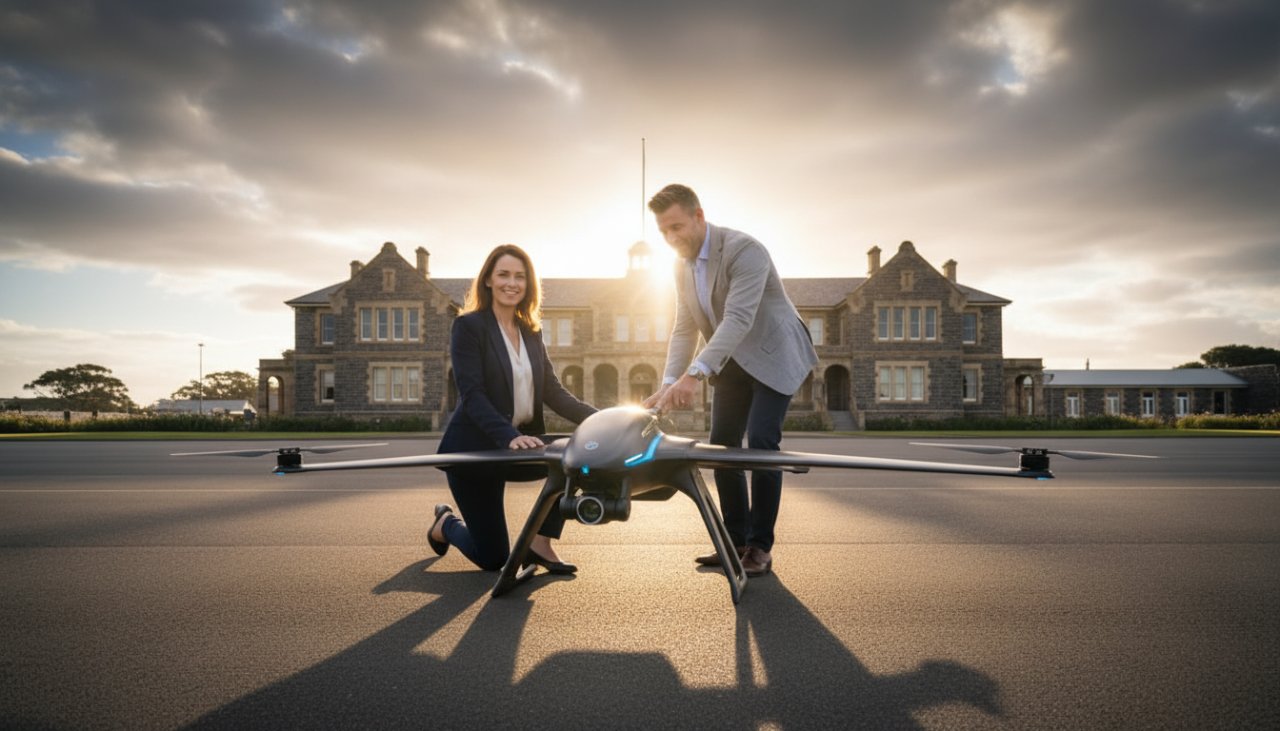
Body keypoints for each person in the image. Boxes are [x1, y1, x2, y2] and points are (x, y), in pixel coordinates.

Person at [643, 184, 817, 576]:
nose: (671, 238)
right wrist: (671, 380)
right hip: (733, 360)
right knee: (722, 448)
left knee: (760, 443)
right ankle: (734, 542)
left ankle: (759, 548)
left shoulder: (745, 250)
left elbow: (738, 318)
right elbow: (684, 328)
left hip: (774, 353)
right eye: (663, 232)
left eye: (677, 227)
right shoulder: (679, 266)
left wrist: (695, 375)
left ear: (699, 216)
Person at [429, 244, 596, 573]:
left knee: (578, 455)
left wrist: (605, 420)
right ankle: (446, 523)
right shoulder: (469, 327)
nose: (512, 283)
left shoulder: (532, 332)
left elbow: (553, 391)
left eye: (520, 276)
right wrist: (508, 436)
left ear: (528, 284)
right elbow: (472, 393)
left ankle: (541, 544)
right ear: (488, 280)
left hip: (517, 446)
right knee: (492, 559)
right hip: (475, 453)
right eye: (503, 274)